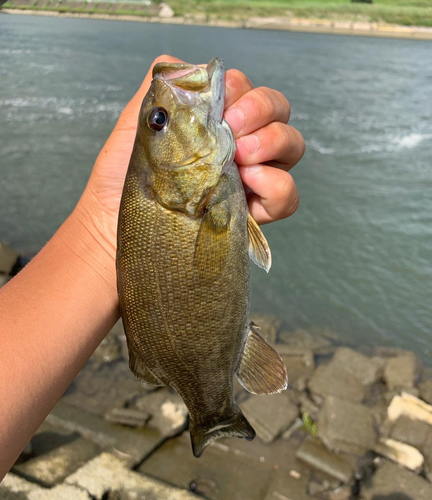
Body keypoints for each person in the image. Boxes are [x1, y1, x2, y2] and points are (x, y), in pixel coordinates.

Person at [0, 55, 305, 479]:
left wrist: (100, 233)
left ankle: (212, 410)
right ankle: (214, 411)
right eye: (159, 120)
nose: (163, 112)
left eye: (156, 119)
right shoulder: (185, 193)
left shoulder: (186, 191)